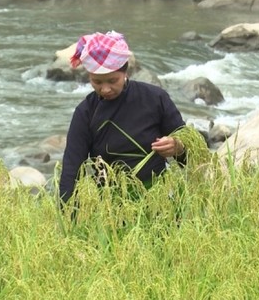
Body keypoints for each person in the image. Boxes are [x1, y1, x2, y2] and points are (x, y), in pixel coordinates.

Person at [59, 31, 186, 203]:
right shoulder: (86, 112)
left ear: (126, 72)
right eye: (97, 82)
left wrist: (177, 148)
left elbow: (190, 151)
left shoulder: (155, 98)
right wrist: (68, 214)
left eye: (112, 81)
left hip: (157, 198)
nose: (105, 89)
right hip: (110, 203)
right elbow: (72, 167)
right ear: (89, 77)